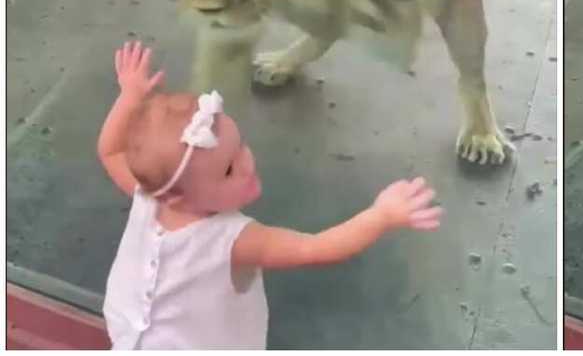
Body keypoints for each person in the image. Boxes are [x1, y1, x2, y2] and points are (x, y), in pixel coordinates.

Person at [97, 41, 443, 349]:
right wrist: (380, 215)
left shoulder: (150, 195)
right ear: (178, 197)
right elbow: (316, 248)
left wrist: (129, 97)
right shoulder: (233, 240)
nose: (247, 164)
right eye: (229, 170)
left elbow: (110, 152)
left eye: (241, 147)